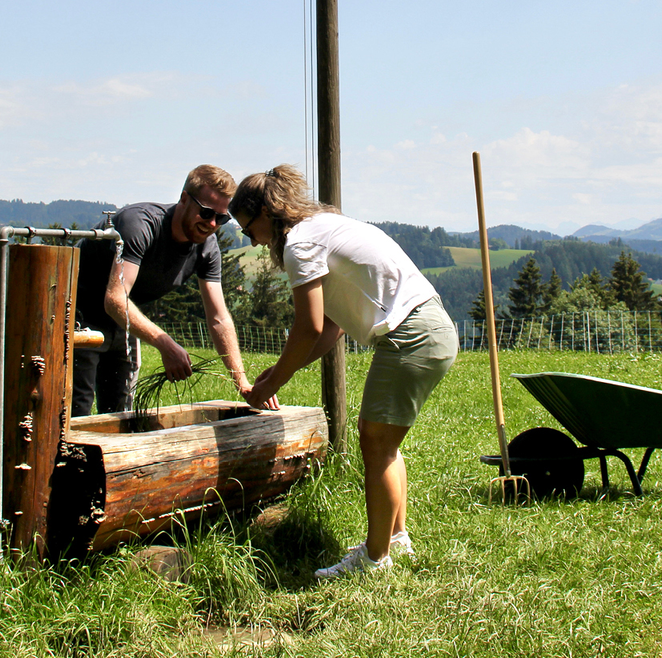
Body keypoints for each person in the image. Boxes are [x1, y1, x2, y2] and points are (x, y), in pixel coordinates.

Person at [229, 164, 458, 579]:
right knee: (383, 439)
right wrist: (277, 376)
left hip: (411, 334)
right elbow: (331, 328)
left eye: (248, 230)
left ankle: (374, 560)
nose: (252, 240)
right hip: (430, 326)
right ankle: (395, 539)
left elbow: (309, 327)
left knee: (376, 441)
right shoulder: (324, 226)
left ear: (267, 213)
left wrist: (275, 379)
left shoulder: (299, 244)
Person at [72, 164, 277, 417]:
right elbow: (115, 298)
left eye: (221, 218)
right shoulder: (139, 225)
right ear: (183, 199)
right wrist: (166, 344)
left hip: (123, 322)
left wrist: (242, 382)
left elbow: (219, 317)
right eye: (205, 212)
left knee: (120, 416)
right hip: (76, 316)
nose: (211, 223)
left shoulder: (207, 248)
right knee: (73, 413)